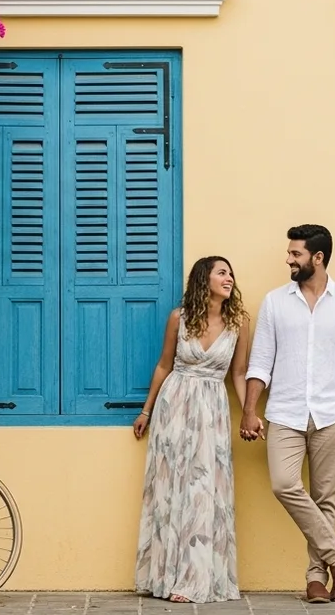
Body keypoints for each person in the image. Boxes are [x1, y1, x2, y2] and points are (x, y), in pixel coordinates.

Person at [240, 224, 335, 604]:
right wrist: (250, 410)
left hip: (333, 413)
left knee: (325, 496)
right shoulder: (275, 302)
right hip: (284, 411)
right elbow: (261, 362)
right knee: (285, 483)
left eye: (295, 254)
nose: (288, 259)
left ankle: (317, 580)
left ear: (318, 257)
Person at [133, 256, 252, 604]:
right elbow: (163, 364)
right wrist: (146, 410)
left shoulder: (239, 322)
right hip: (174, 407)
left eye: (231, 273)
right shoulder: (179, 318)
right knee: (171, 489)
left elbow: (239, 374)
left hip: (211, 411)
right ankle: (163, 576)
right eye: (221, 272)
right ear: (205, 279)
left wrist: (249, 413)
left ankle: (194, 578)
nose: (229, 278)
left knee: (204, 491)